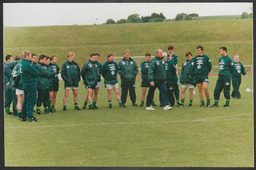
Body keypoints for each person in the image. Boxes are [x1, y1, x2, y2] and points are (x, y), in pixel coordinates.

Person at [20, 50, 39, 122]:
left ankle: (23, 116)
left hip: (25, 83)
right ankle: (30, 116)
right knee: (31, 100)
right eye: (30, 56)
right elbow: (36, 73)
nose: (31, 57)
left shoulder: (21, 63)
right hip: (30, 83)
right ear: (27, 56)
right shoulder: (28, 64)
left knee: (26, 100)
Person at [11, 55, 24, 119]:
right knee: (22, 99)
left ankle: (19, 114)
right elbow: (19, 75)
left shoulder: (15, 66)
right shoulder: (21, 65)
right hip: (21, 84)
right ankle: (22, 114)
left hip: (16, 84)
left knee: (19, 100)